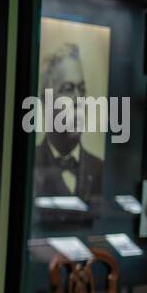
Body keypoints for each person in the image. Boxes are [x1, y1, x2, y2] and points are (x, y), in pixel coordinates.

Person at [34, 42, 104, 204]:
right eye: (67, 89)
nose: (79, 100)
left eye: (82, 89)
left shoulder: (100, 168)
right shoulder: (31, 164)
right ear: (46, 101)